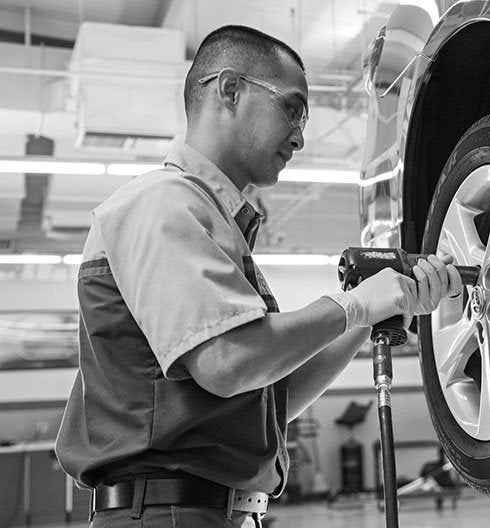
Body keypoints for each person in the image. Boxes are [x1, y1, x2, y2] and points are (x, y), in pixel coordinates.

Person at [54, 25, 461, 528]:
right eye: (292, 108)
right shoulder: (161, 204)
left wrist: (368, 316)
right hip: (165, 513)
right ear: (230, 91)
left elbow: (272, 397)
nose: (301, 134)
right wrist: (350, 306)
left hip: (204, 513)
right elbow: (227, 362)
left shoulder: (213, 224)